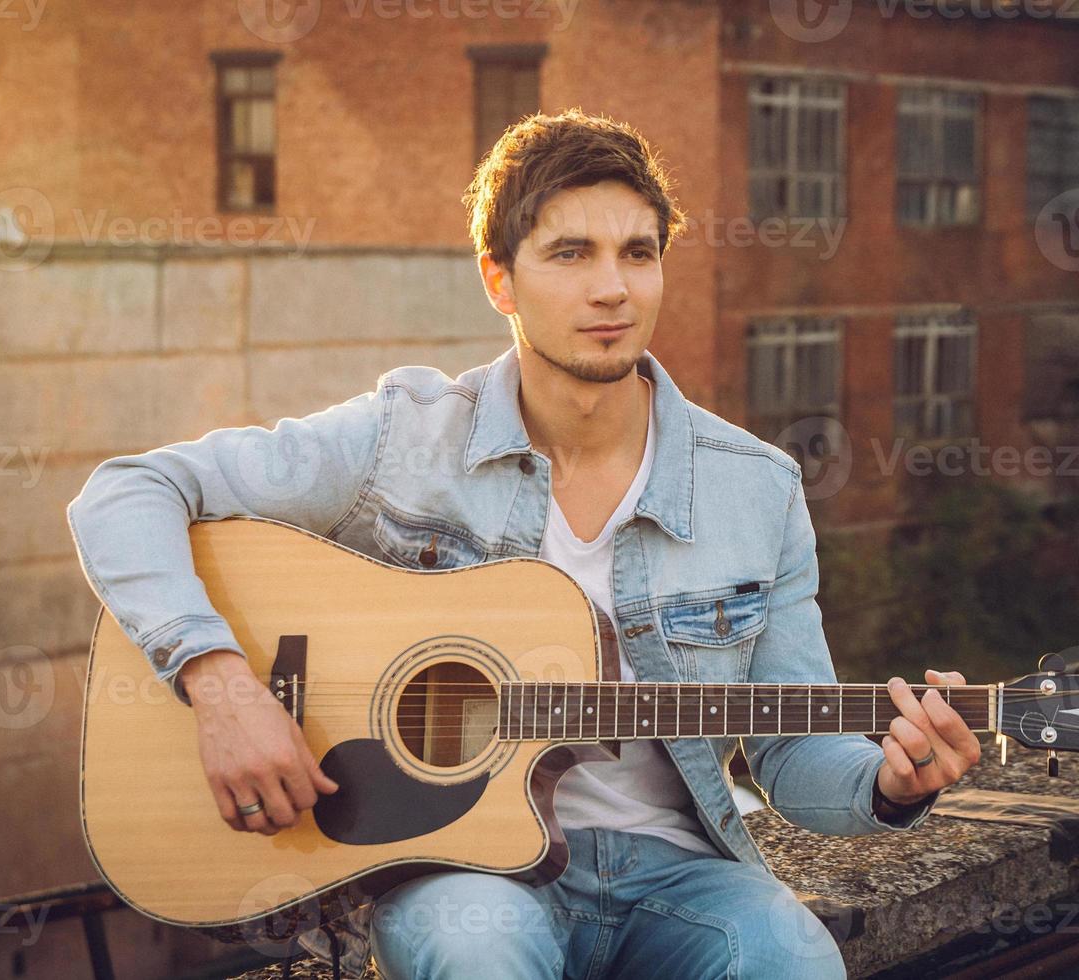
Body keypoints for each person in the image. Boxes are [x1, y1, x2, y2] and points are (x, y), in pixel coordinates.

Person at [66, 109, 981, 979]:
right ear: (498, 277)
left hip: (679, 874)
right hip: (463, 875)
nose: (612, 287)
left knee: (795, 960)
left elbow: (792, 751)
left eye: (638, 253)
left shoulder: (758, 488)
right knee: (481, 955)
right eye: (570, 253)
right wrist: (221, 683)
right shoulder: (405, 436)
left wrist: (896, 783)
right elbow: (126, 492)